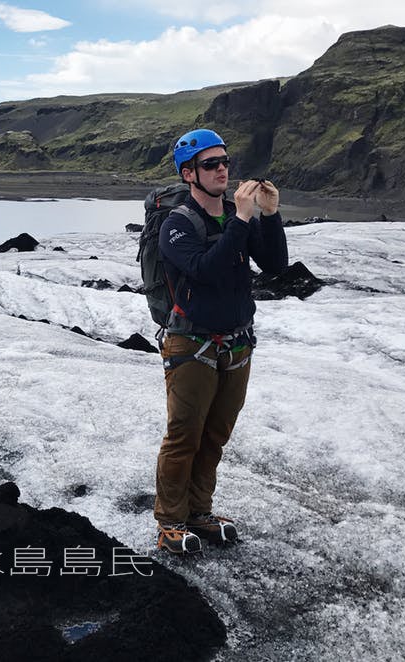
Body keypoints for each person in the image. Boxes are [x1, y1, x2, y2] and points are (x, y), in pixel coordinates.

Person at [154, 128, 288, 554]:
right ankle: (170, 522)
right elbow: (204, 270)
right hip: (191, 345)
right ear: (188, 173)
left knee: (215, 436)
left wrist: (268, 215)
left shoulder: (235, 214)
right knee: (184, 436)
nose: (222, 171)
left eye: (225, 162)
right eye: (211, 165)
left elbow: (275, 265)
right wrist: (243, 221)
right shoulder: (176, 224)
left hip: (237, 343)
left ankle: (199, 512)